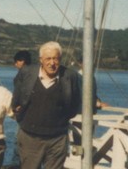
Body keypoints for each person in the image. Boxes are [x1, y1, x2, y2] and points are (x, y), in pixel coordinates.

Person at [11, 41, 93, 169]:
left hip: (57, 138)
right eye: (48, 58)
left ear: (60, 59)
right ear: (41, 60)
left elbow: (75, 104)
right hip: (30, 137)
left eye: (56, 58)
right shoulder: (27, 73)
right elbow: (17, 97)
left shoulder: (70, 76)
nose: (52, 63)